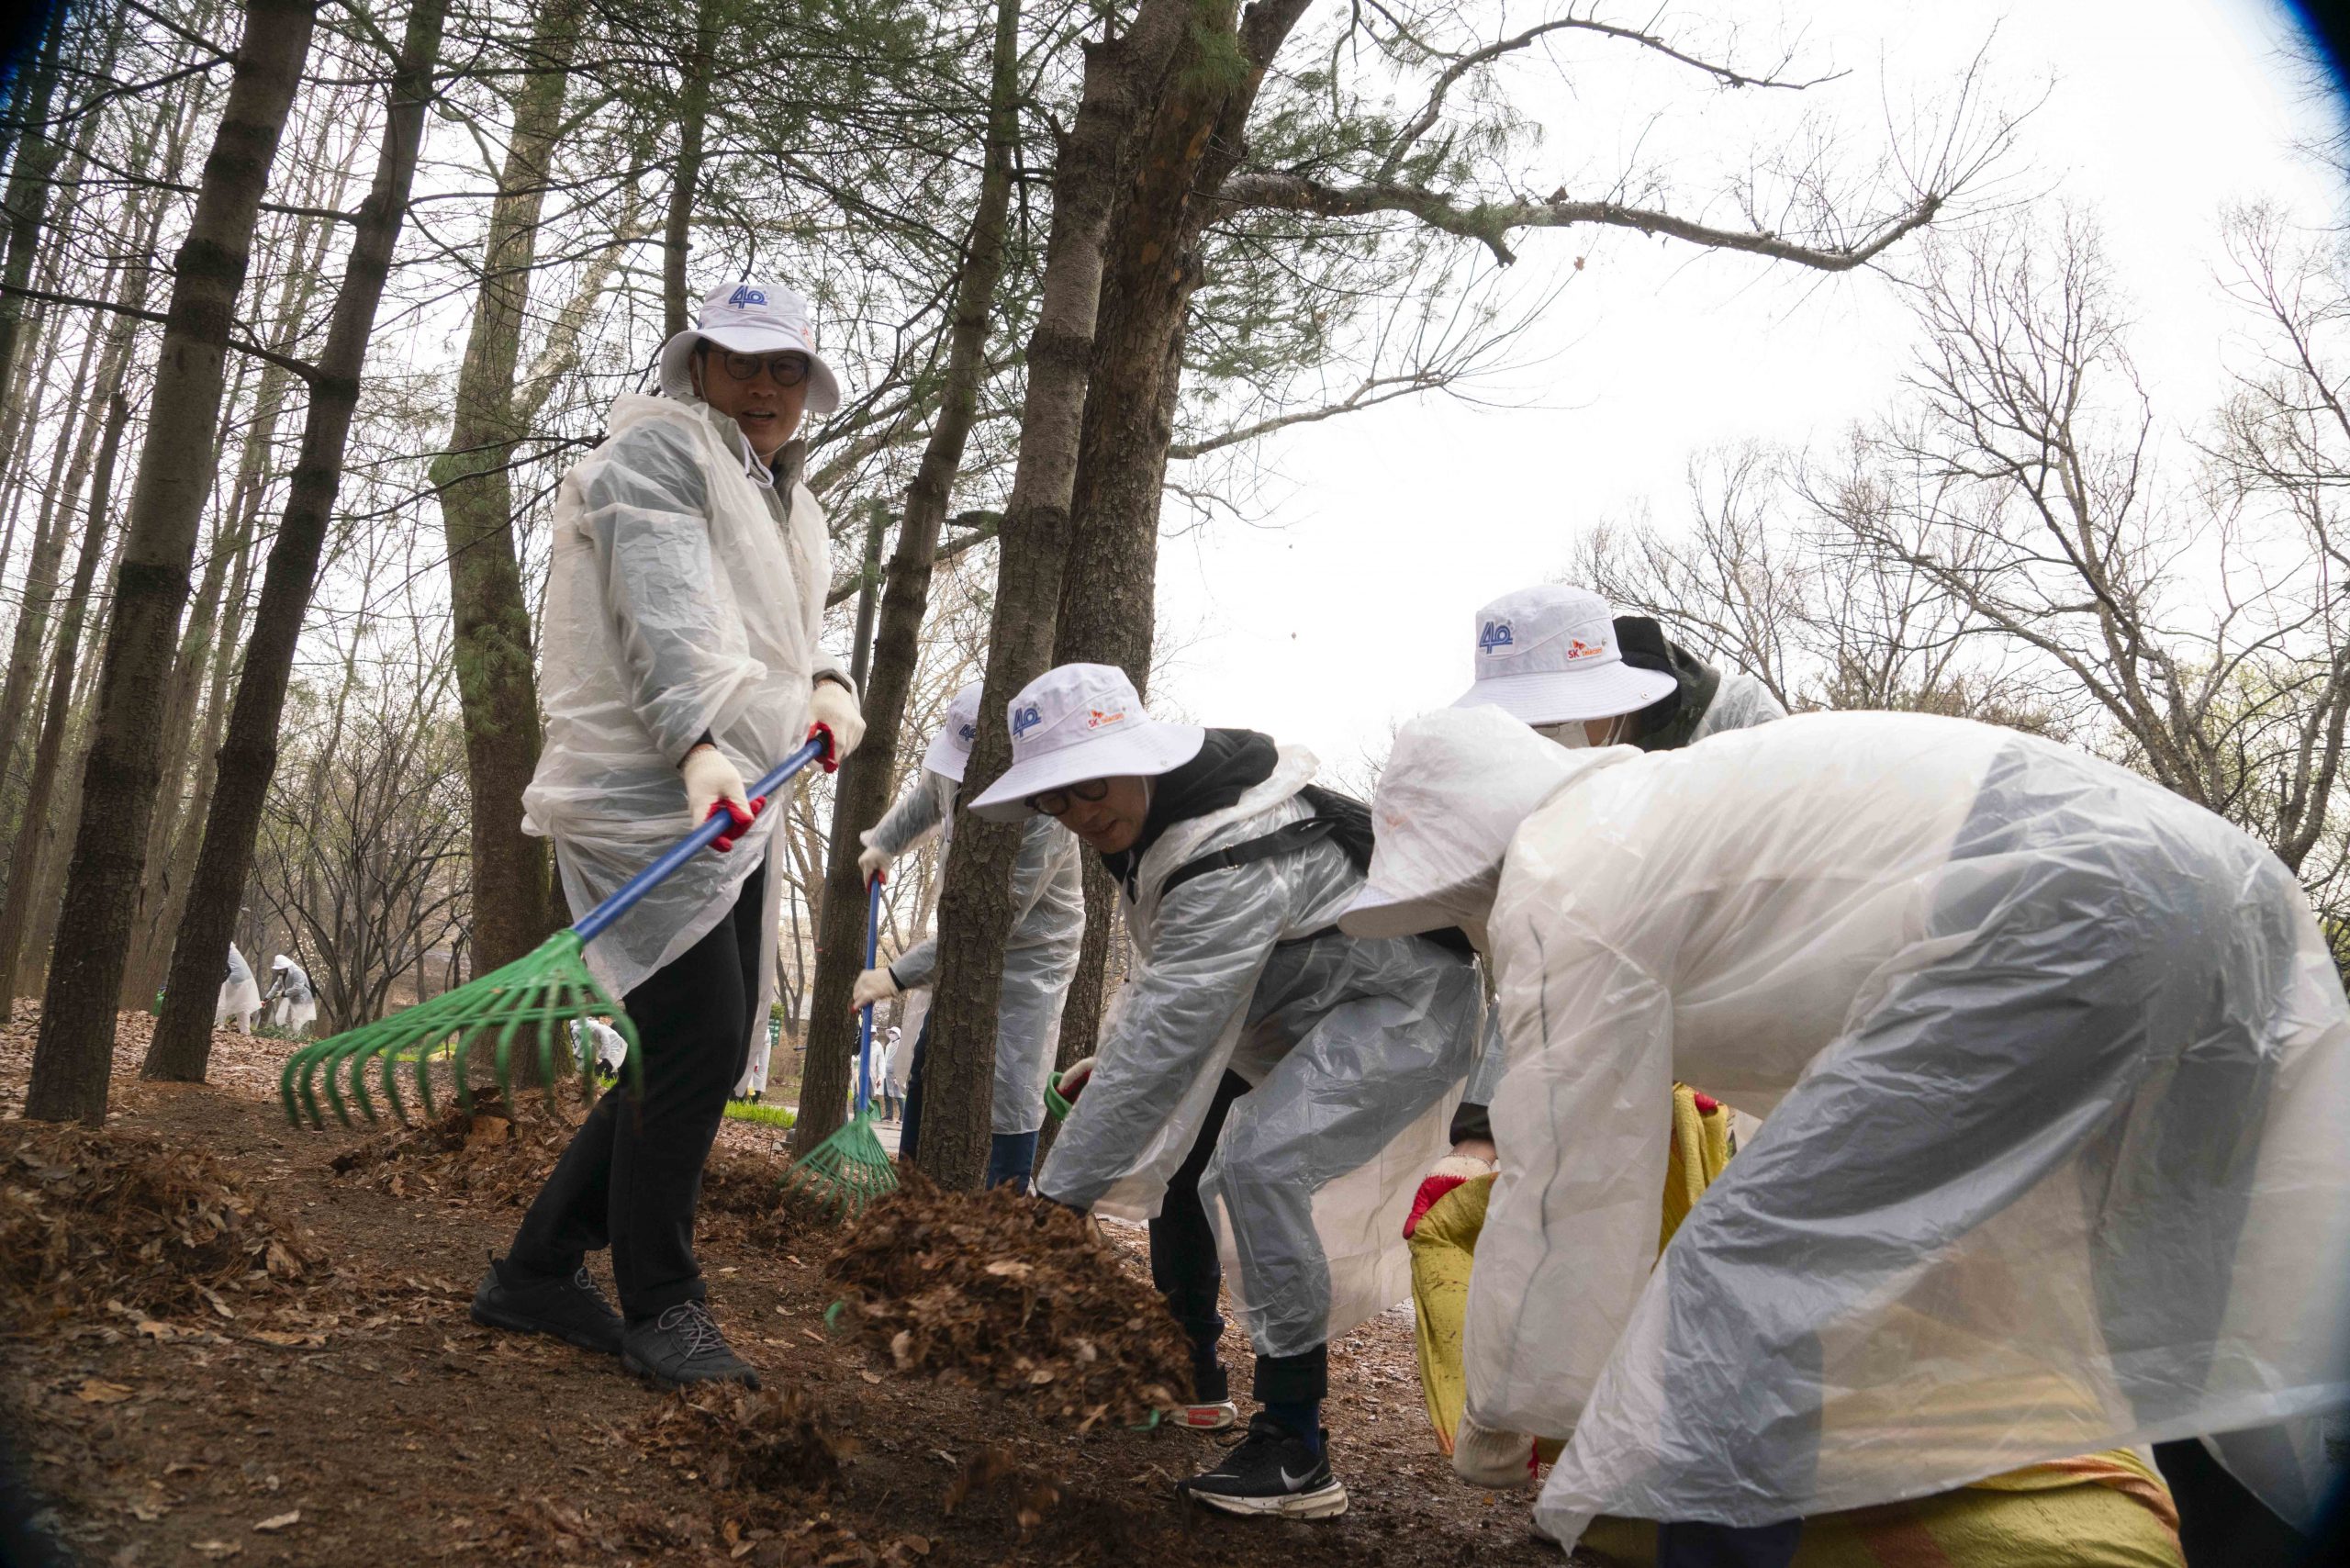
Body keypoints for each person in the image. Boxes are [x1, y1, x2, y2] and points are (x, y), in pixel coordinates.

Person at [1342, 705, 2350, 1565]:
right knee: (2176, 1296)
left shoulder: (1559, 878)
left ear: (1465, 857)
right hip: (2225, 888)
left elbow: (1568, 1187)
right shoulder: (1666, 808)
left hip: (2059, 904)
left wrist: (1500, 1418)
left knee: (1739, 1286)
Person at [968, 662, 1483, 1521]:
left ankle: (1294, 1448)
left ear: (1138, 754)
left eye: (1090, 786)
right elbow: (1175, 982)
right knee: (1205, 1168)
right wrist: (1117, 1063)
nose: (1080, 814)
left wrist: (1057, 1202)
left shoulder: (1229, 847)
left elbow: (1175, 1024)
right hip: (1305, 1015)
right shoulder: (1155, 825)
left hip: (1402, 1012)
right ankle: (1202, 1376)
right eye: (1055, 800)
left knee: (1256, 1166)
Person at [472, 280, 866, 1392]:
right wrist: (697, 743)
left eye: (784, 369)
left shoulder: (788, 498)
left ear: (806, 390)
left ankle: (537, 1269)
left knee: (693, 1045)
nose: (761, 386)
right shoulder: (655, 453)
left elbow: (793, 631)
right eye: (738, 362)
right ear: (694, 369)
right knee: (695, 1041)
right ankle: (663, 1302)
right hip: (651, 789)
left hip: (743, 791)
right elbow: (665, 610)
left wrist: (829, 684)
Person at [1437, 583, 1785, 1188]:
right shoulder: (1559, 788)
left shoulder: (1737, 727)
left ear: (1604, 691)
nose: (1539, 737)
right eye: (1521, 723)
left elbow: (1784, 901)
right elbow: (1546, 952)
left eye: (1549, 717)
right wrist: (1480, 1136)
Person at [855, 679, 1082, 1192]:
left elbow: (995, 925)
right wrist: (884, 843)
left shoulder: (1042, 814)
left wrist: (894, 975)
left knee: (1012, 1084)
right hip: (960, 944)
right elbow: (928, 799)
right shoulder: (953, 764)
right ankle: (913, 1187)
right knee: (933, 1058)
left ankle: (1004, 1198)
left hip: (1032, 955)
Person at [263, 955, 318, 1035]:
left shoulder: (297, 972)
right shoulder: (282, 974)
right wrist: (266, 999)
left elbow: (298, 988)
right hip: (292, 997)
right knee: (283, 1017)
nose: (279, 970)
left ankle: (297, 1038)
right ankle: (291, 1035)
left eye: (280, 968)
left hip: (303, 998)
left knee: (297, 1020)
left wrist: (283, 993)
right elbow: (276, 986)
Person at [216, 943, 263, 1034]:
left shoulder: (221, 946)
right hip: (247, 979)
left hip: (232, 977)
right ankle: (245, 1031)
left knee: (220, 1000)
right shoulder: (233, 950)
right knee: (243, 1006)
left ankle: (218, 1025)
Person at [877, 1025, 904, 1123]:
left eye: (894, 1033)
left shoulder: (900, 1045)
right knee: (887, 1094)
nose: (892, 1034)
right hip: (886, 1073)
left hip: (895, 1073)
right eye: (891, 1032)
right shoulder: (889, 1045)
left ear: (898, 1034)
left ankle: (903, 1116)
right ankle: (889, 1115)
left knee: (898, 1095)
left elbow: (901, 1061)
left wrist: (898, 1076)